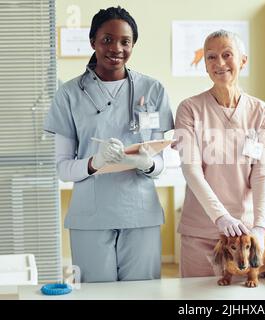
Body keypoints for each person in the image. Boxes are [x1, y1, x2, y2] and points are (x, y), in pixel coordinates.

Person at [43, 6, 174, 282]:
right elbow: (63, 168)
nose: (116, 48)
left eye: (125, 41)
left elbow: (164, 162)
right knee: (96, 295)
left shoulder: (153, 90)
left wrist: (147, 163)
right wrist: (95, 162)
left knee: (143, 294)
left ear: (133, 45)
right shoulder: (68, 95)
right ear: (92, 42)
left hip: (141, 213)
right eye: (106, 39)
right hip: (91, 216)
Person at [174, 30, 265, 277]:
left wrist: (260, 227)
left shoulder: (262, 113)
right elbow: (191, 170)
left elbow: (262, 173)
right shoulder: (190, 109)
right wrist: (220, 217)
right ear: (205, 65)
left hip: (244, 238)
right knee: (195, 299)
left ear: (243, 60)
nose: (219, 63)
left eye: (227, 55)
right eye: (211, 57)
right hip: (200, 231)